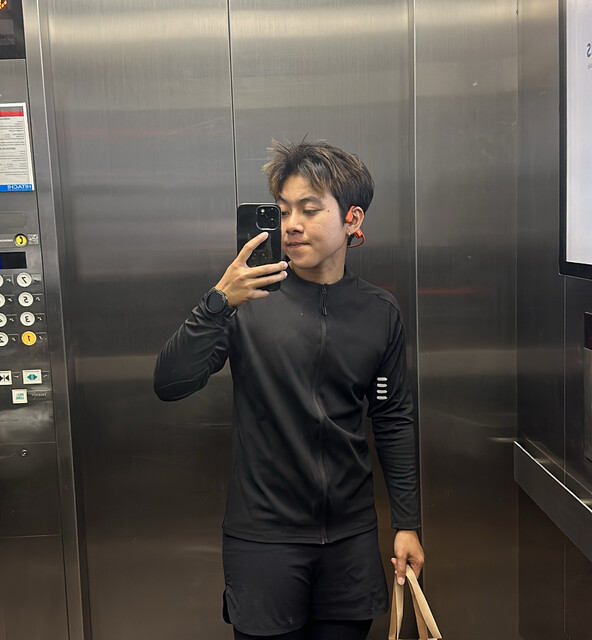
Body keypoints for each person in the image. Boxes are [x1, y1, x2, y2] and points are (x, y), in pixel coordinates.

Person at [154, 140, 424, 640]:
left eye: (309, 209)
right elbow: (169, 383)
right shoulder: (246, 301)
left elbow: (392, 419)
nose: (291, 225)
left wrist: (407, 523)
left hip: (350, 539)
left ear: (352, 219)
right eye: (282, 211)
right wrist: (217, 303)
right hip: (264, 541)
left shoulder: (379, 312)